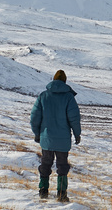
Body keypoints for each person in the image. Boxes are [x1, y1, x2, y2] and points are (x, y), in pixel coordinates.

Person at [30, 69, 82, 202]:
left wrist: (37, 133)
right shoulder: (69, 97)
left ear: (53, 80)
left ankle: (43, 191)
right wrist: (77, 134)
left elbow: (34, 117)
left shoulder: (43, 96)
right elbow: (74, 118)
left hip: (46, 138)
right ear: (64, 81)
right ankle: (62, 194)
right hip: (63, 140)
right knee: (62, 166)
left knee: (45, 164)